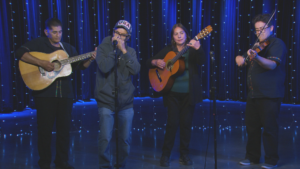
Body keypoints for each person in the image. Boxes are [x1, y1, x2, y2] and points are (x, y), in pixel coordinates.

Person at [15, 18, 96, 169]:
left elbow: (80, 66)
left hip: (65, 95)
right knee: (45, 130)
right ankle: (44, 163)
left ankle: (62, 162)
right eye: (54, 32)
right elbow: (19, 53)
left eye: (60, 32)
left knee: (64, 130)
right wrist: (42, 63)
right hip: (45, 94)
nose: (58, 35)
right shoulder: (39, 43)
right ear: (47, 32)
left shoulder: (68, 48)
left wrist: (90, 59)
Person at [146, 23, 206, 167]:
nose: (179, 36)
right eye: (176, 33)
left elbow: (202, 61)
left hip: (189, 94)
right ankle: (165, 155)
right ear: (173, 37)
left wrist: (199, 48)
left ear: (186, 35)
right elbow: (149, 62)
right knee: (172, 125)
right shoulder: (168, 50)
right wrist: (155, 61)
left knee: (186, 125)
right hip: (172, 93)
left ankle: (184, 155)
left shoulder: (192, 49)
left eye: (181, 33)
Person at [236, 14, 287, 169]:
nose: (259, 32)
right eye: (256, 30)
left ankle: (271, 160)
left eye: (262, 29)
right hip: (253, 93)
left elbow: (272, 65)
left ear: (271, 28)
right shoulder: (257, 45)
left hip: (269, 94)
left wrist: (256, 57)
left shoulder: (277, 43)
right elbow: (242, 61)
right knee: (252, 128)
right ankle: (252, 157)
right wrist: (240, 58)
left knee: (269, 129)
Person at [95, 20, 140, 169]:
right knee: (105, 138)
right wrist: (115, 51)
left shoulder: (130, 51)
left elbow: (135, 70)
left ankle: (121, 165)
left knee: (125, 139)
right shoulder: (103, 47)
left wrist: (124, 52)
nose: (119, 37)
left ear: (128, 38)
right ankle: (105, 166)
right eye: (117, 33)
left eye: (123, 35)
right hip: (106, 100)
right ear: (113, 32)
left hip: (125, 101)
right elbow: (104, 66)